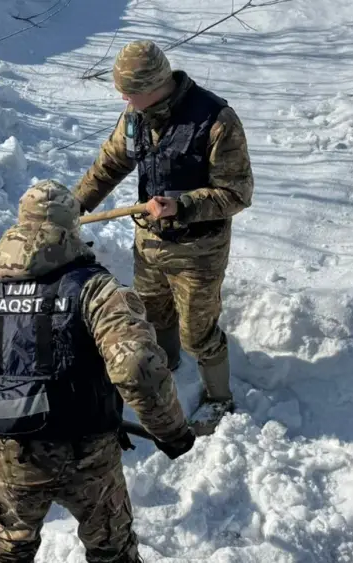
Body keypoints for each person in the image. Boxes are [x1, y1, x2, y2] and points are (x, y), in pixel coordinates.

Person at [0, 179, 196, 563]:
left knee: (10, 550)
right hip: (84, 453)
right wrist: (171, 431)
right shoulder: (95, 290)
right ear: (73, 229)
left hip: (8, 454)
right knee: (112, 549)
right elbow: (137, 366)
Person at [71, 39, 254, 434]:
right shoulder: (136, 115)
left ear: (156, 85)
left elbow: (237, 193)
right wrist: (75, 206)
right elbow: (110, 164)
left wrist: (183, 205)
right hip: (150, 243)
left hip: (198, 251)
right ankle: (167, 364)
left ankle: (219, 398)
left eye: (130, 92)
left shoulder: (216, 120)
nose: (124, 99)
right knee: (153, 313)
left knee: (198, 332)